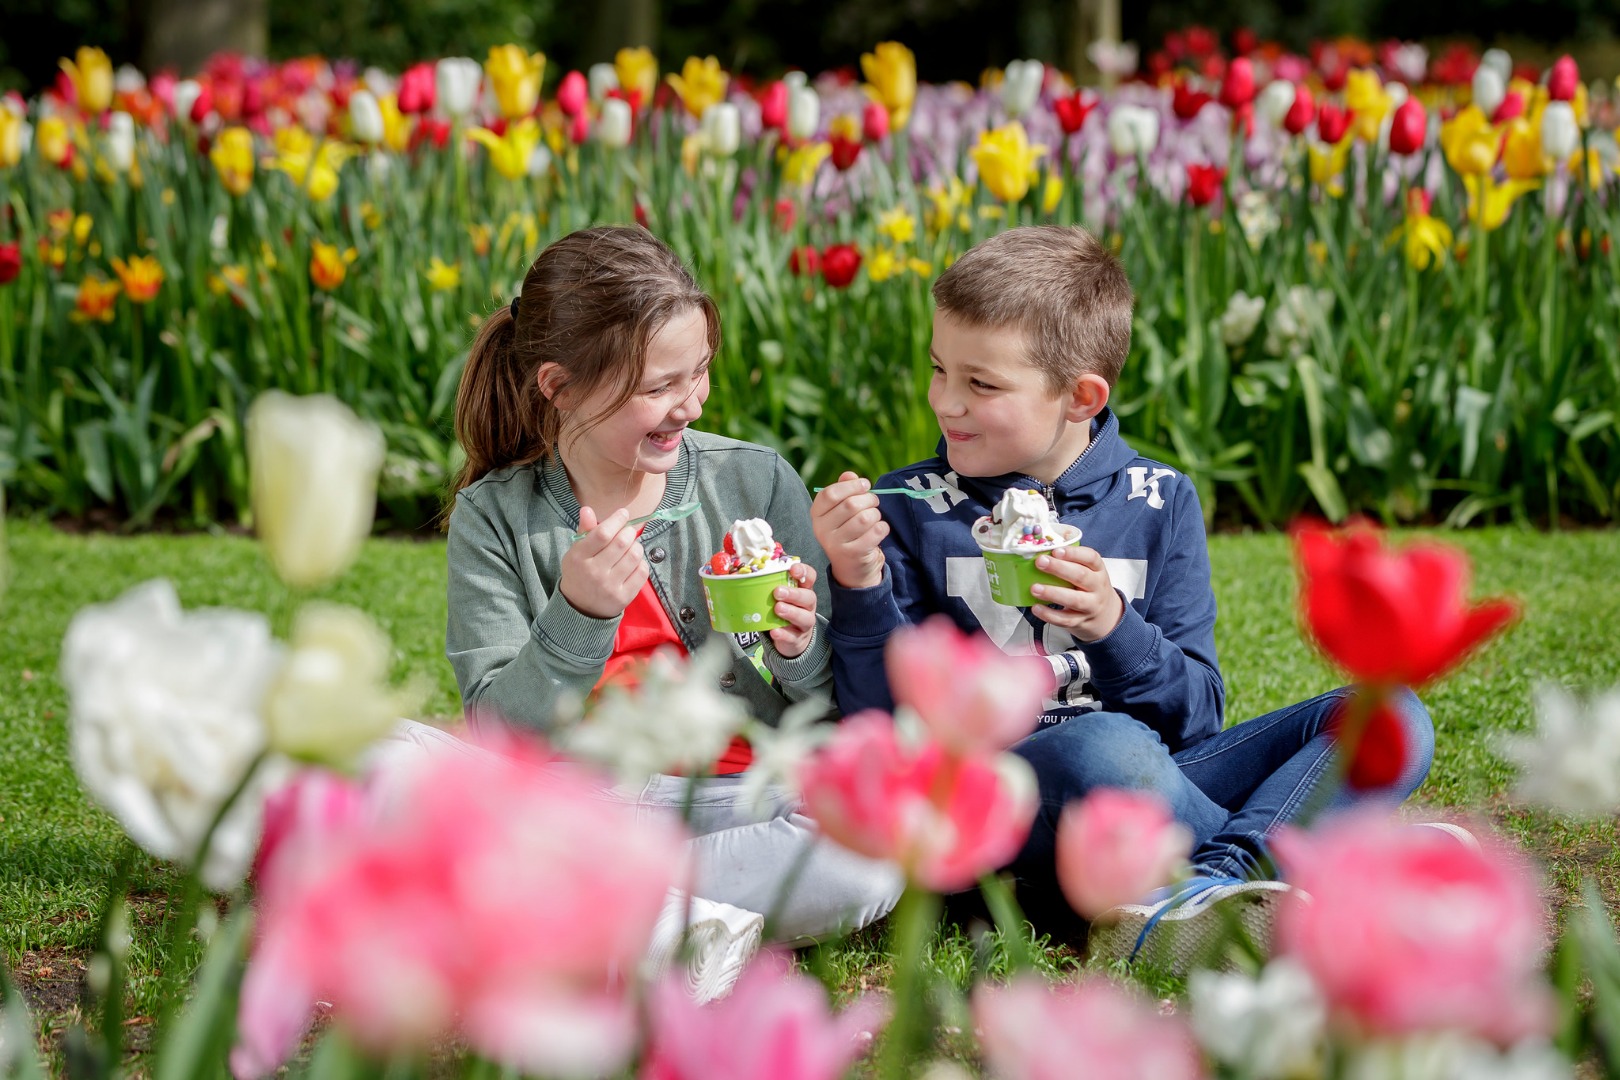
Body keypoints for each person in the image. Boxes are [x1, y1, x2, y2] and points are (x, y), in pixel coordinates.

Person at [811, 225, 1435, 971]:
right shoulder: (908, 506)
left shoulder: (1162, 499)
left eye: (982, 384)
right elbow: (884, 724)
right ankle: (1304, 861)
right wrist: (860, 583)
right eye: (940, 369)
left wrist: (1115, 627)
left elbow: (1198, 715)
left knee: (1392, 715)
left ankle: (1214, 887)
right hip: (998, 800)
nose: (946, 401)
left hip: (1155, 786)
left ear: (1081, 397)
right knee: (1100, 744)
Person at [443, 225, 902, 977]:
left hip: (743, 794)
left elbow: (832, 711)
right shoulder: (496, 515)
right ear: (557, 387)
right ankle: (676, 911)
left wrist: (800, 646)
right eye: (658, 387)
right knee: (384, 764)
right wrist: (577, 617)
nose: (689, 404)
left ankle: (608, 906)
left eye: (700, 373)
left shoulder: (754, 483)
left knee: (871, 847)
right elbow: (501, 737)